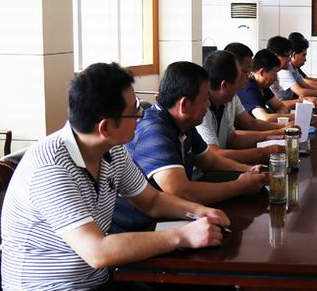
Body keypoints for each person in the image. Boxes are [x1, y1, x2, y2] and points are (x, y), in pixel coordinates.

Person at [1, 63, 228, 290]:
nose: (141, 114)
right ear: (105, 127)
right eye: (134, 110)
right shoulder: (51, 168)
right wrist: (182, 236)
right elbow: (97, 251)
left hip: (99, 279)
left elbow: (152, 200)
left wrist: (199, 211)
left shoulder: (112, 149)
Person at [113, 61, 266, 232]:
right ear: (184, 105)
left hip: (170, 214)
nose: (208, 105)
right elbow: (181, 192)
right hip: (141, 227)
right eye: (205, 99)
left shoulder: (184, 124)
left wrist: (248, 170)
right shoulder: (153, 131)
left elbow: (211, 162)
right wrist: (239, 186)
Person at [198, 50, 287, 164]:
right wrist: (263, 153)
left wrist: (271, 135)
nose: (248, 77)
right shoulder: (202, 109)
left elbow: (232, 138)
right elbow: (214, 154)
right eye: (242, 75)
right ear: (224, 86)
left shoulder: (227, 100)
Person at [224, 42, 291, 129]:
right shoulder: (247, 87)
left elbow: (251, 123)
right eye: (245, 71)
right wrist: (286, 123)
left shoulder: (260, 86)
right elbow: (264, 119)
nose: (249, 75)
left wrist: (282, 125)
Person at [266, 35, 317, 106]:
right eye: (287, 56)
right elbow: (278, 105)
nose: (289, 59)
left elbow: (305, 84)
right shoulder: (278, 73)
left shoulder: (285, 68)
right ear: (276, 56)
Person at [238, 49, 293, 120]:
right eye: (275, 72)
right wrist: (294, 117)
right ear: (262, 72)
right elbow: (264, 118)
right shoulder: (248, 87)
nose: (276, 77)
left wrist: (281, 118)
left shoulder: (263, 86)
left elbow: (281, 106)